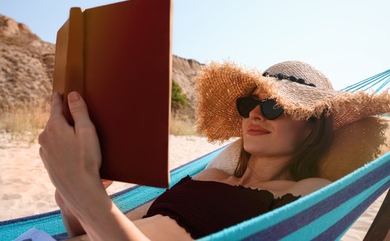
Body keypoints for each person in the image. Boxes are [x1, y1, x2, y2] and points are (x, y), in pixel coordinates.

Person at [38, 60, 390, 240]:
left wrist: (83, 192)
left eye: (274, 106)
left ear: (312, 124)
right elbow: (90, 232)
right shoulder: (212, 174)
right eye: (250, 104)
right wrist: (70, 199)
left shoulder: (305, 193)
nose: (255, 112)